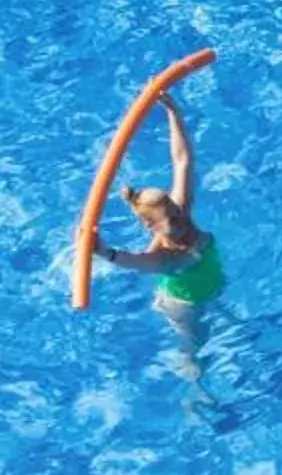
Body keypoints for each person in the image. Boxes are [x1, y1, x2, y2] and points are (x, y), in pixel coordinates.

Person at [89, 94, 225, 385]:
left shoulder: (181, 214)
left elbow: (183, 161)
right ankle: (195, 390)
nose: (181, 222)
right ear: (152, 228)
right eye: (172, 221)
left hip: (208, 290)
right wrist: (101, 251)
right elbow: (131, 260)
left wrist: (173, 112)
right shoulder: (165, 259)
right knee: (194, 351)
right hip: (183, 307)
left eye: (177, 212)